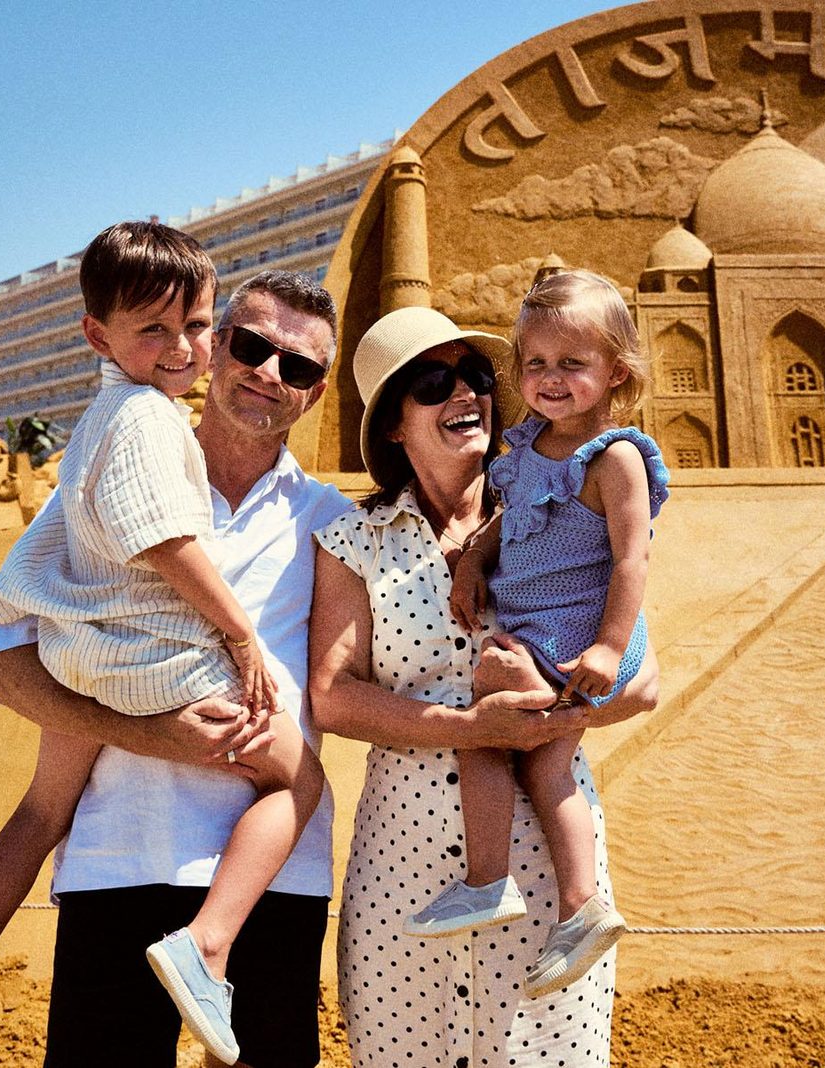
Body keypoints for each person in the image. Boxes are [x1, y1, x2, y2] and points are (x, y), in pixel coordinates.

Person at [0, 224, 325, 1064]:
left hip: (273, 890)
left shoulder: (333, 524)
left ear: (317, 392)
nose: (267, 371)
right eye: (250, 344)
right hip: (118, 862)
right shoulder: (118, 461)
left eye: (300, 365)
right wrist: (153, 733)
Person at [307, 304, 661, 1066]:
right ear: (395, 425)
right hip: (407, 873)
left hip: (548, 879)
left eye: (475, 376)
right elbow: (332, 696)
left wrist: (533, 714)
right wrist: (472, 730)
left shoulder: (563, 504)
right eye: (434, 382)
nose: (464, 393)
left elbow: (641, 683)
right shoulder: (351, 543)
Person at [408, 269, 669, 998]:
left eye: (572, 364)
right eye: (536, 364)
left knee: (490, 711)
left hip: (574, 639)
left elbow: (631, 557)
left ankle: (490, 878)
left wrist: (611, 647)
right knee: (536, 762)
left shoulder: (613, 458)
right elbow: (505, 521)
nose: (550, 379)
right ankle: (581, 906)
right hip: (539, 628)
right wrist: (473, 564)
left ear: (617, 371)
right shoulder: (524, 451)